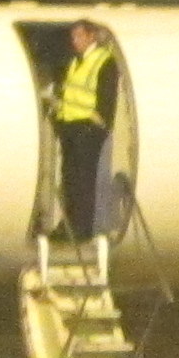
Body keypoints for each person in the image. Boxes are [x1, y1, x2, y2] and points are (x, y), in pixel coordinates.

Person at [50, 20, 119, 241]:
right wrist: (58, 120)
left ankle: (81, 229)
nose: (75, 41)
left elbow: (106, 100)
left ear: (91, 37)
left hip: (87, 129)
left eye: (79, 36)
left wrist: (94, 127)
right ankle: (68, 225)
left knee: (83, 180)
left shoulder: (104, 61)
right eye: (73, 37)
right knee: (69, 179)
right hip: (69, 126)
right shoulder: (73, 62)